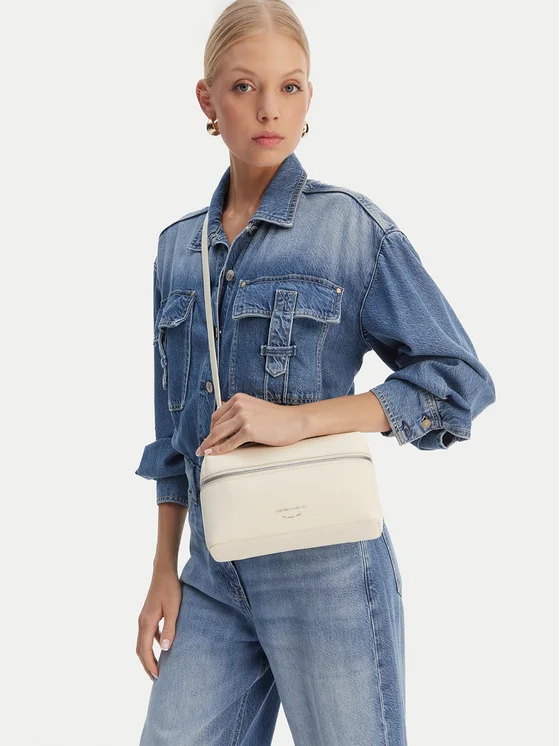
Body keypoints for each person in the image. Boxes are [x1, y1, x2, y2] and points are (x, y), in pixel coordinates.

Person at [134, 1, 496, 744]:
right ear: (207, 100)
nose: (269, 108)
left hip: (327, 574)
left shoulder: (349, 230)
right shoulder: (177, 250)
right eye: (244, 87)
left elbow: (456, 381)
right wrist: (162, 569)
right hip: (213, 574)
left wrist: (296, 422)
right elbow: (173, 436)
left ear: (309, 98)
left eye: (290, 86)